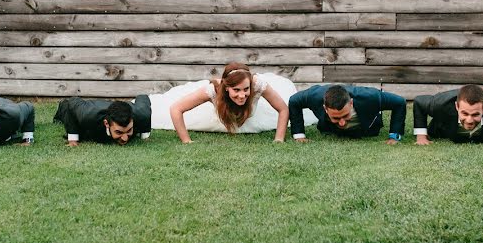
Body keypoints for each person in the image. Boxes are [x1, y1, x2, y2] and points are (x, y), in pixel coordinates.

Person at [159, 62, 298, 143]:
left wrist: (279, 139)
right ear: (226, 88)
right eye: (236, 90)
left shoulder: (258, 85)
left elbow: (283, 109)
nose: (242, 95)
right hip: (218, 117)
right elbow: (175, 108)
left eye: (246, 89)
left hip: (250, 118)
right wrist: (186, 141)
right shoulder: (214, 89)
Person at [288, 84, 406, 143]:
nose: (342, 122)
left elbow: (399, 102)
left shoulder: (371, 98)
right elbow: (294, 101)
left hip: (366, 131)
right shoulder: (314, 96)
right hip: (330, 130)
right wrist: (299, 136)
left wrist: (394, 136)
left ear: (351, 103)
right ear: (325, 108)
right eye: (336, 117)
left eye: (345, 115)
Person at [413, 85, 483, 146]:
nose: (469, 120)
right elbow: (419, 102)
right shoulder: (440, 104)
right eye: (464, 113)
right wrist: (421, 137)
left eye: (475, 114)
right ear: (457, 107)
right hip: (443, 131)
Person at [53, 96, 152, 145]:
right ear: (106, 123)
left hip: (122, 107)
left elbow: (143, 97)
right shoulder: (87, 114)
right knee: (65, 107)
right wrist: (73, 139)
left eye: (129, 130)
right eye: (119, 132)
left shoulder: (142, 114)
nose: (125, 138)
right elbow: (73, 101)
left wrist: (144, 136)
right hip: (79, 107)